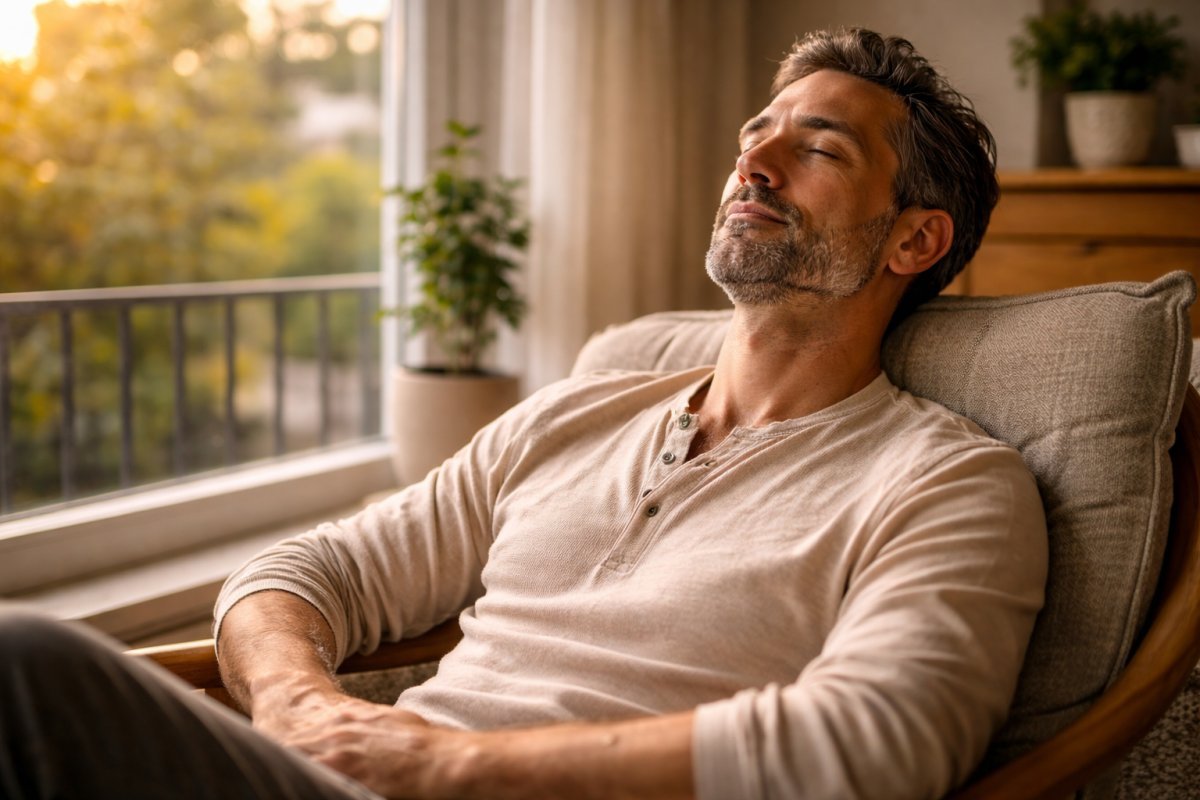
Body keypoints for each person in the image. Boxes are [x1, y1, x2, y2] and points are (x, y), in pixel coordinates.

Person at [0, 27, 1046, 800]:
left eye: (816, 149)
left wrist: (434, 756)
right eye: (753, 135)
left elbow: (877, 740)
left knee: (29, 664)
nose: (752, 165)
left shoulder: (948, 483)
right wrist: (298, 710)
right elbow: (296, 574)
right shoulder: (573, 417)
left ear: (914, 241)